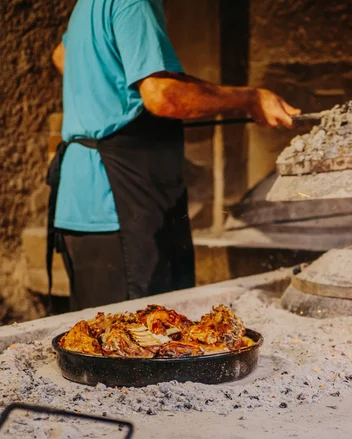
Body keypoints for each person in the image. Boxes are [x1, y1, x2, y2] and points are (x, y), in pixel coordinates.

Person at [48, 0, 300, 312]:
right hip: (119, 204)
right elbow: (162, 96)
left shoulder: (87, 5)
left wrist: (105, 94)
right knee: (142, 340)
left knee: (99, 341)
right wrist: (249, 98)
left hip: (81, 203)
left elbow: (61, 56)